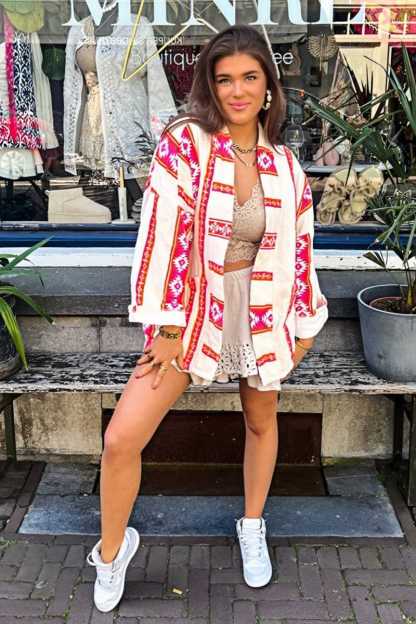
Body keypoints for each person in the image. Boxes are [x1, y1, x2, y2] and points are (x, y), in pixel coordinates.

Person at [86, 24, 328, 613]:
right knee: (121, 438)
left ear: (268, 87)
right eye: (224, 80)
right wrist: (168, 329)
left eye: (249, 78)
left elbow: (300, 251)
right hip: (190, 313)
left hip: (261, 311)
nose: (237, 91)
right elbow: (160, 237)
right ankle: (112, 551)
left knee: (261, 421)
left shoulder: (287, 166)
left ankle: (252, 524)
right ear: (210, 87)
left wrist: (303, 329)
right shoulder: (185, 144)